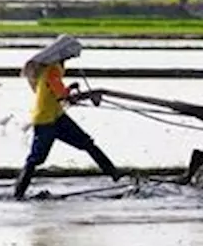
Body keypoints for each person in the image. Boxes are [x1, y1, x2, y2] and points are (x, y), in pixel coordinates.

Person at [13, 38, 122, 200]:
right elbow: (62, 95)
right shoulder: (52, 70)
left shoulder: (52, 68)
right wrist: (74, 94)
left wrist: (71, 90)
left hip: (57, 116)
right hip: (46, 120)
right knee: (36, 159)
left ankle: (116, 176)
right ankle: (18, 193)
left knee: (87, 143)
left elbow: (60, 92)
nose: (71, 58)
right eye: (70, 55)